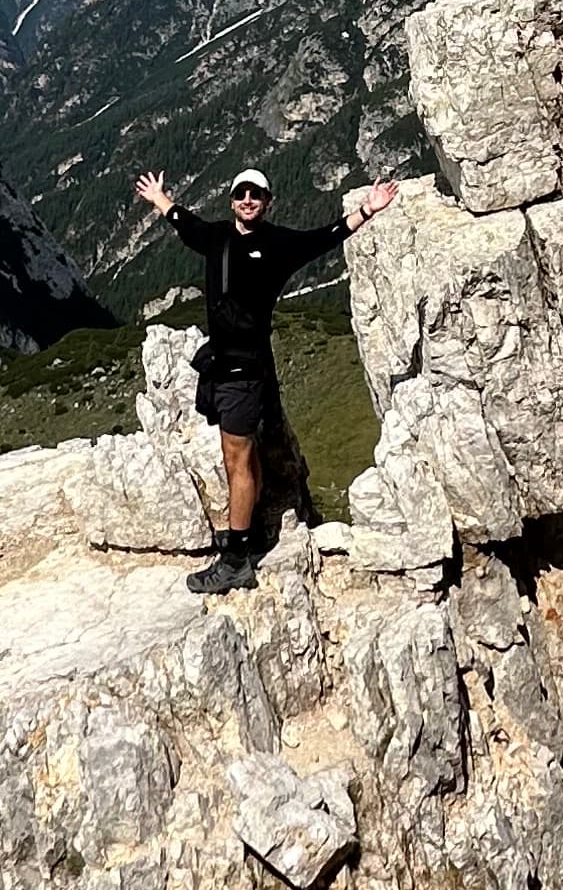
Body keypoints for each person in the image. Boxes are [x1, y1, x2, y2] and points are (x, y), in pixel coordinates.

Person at [134, 159, 400, 598]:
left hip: (246, 371)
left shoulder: (278, 244)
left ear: (267, 202)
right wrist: (161, 199)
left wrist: (368, 211)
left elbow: (326, 237)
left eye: (256, 195)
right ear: (232, 200)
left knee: (236, 459)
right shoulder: (216, 235)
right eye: (241, 194)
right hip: (219, 364)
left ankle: (237, 560)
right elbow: (184, 223)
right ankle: (248, 531)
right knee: (241, 455)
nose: (247, 201)